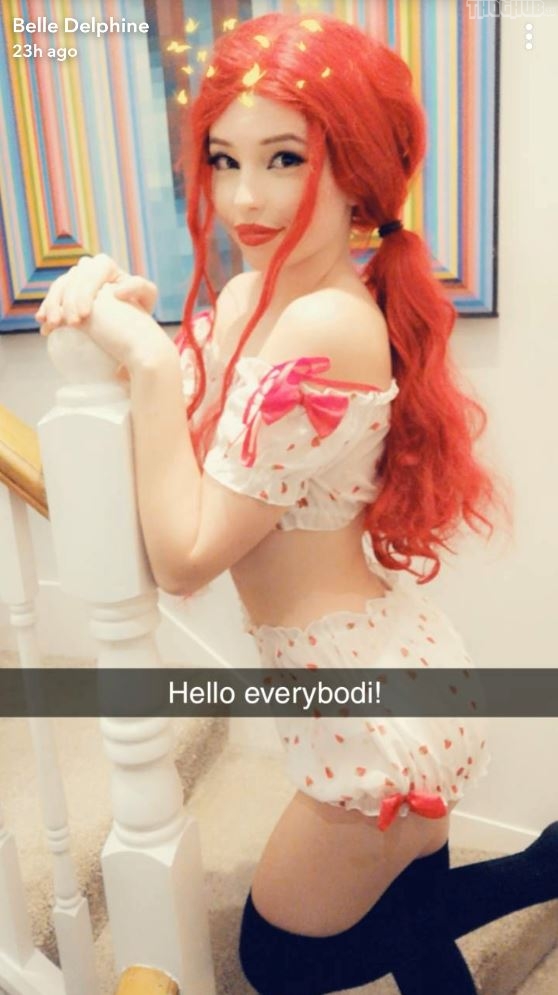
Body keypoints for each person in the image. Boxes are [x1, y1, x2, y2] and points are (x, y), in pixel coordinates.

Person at [36, 12, 558, 995]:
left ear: (357, 171)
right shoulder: (254, 299)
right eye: (224, 160)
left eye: (285, 159)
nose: (246, 197)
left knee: (281, 959)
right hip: (366, 669)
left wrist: (149, 360)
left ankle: (544, 868)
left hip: (369, 704)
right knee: (410, 923)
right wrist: (120, 301)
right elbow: (184, 448)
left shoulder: (324, 323)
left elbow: (186, 553)